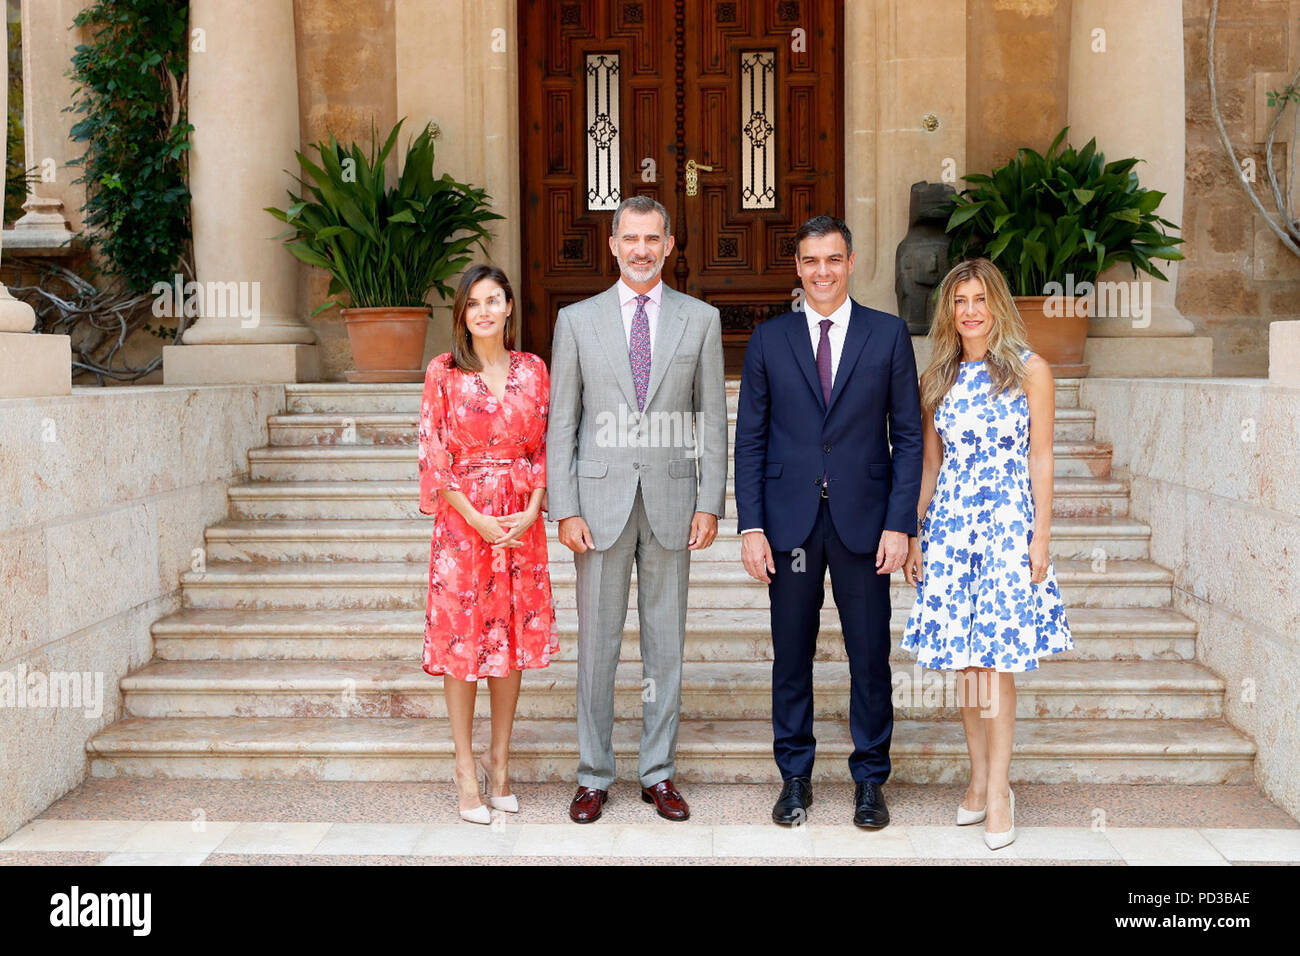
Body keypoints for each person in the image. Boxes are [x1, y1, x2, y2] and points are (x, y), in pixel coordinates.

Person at [734, 214, 923, 828]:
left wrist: (901, 524)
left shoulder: (888, 335)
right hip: (788, 524)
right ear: (798, 266)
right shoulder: (770, 339)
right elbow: (751, 441)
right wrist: (751, 526)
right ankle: (795, 778)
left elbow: (911, 438)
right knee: (791, 654)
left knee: (869, 655)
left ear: (850, 261)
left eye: (833, 259)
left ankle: (870, 779)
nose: (822, 271)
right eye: (811, 260)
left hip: (865, 525)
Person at [547, 194, 727, 824]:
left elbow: (712, 418)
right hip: (597, 506)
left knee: (665, 646)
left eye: (654, 239)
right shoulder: (576, 321)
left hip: (674, 501)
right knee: (596, 647)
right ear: (614, 244)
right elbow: (561, 420)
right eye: (631, 239)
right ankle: (593, 774)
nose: (642, 250)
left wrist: (710, 500)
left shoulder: (700, 320)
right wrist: (564, 505)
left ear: (670, 245)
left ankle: (659, 773)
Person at [900, 257, 1074, 850]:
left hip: (1006, 528)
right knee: (967, 668)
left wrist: (1041, 536)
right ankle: (977, 780)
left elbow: (1042, 457)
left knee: (996, 662)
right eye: (959, 301)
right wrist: (917, 532)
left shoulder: (1031, 371)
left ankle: (999, 791)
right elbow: (929, 463)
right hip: (950, 530)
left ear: (996, 304)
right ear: (948, 310)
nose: (970, 310)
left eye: (979, 299)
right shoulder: (938, 378)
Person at [418, 263, 559, 825]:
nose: (483, 310)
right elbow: (433, 454)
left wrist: (531, 507)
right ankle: (463, 766)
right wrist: (474, 517)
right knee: (462, 645)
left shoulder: (533, 369)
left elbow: (544, 445)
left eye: (493, 300)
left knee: (511, 641)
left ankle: (500, 764)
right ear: (462, 313)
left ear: (508, 308)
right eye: (473, 302)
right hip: (463, 525)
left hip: (520, 523)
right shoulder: (444, 371)